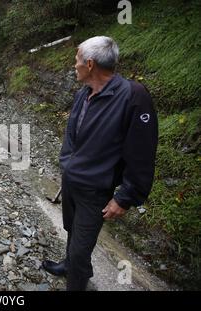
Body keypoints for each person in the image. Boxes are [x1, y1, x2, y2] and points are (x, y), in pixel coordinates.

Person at [42, 36, 158, 291]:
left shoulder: (133, 96)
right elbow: (73, 134)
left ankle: (76, 280)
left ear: (90, 64)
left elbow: (142, 152)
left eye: (77, 60)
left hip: (95, 190)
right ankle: (69, 264)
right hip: (73, 180)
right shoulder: (84, 93)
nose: (74, 65)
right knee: (72, 229)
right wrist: (67, 164)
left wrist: (126, 197)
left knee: (82, 247)